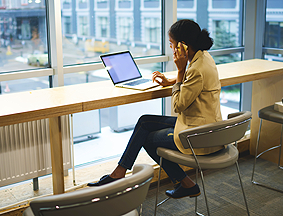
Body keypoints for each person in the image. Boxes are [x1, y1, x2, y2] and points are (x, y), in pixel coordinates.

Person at [88, 19, 223, 199]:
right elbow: (193, 86)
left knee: (148, 139)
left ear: (182, 46)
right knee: (145, 121)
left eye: (172, 44)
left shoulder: (195, 69)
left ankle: (184, 183)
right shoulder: (204, 58)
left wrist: (180, 72)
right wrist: (174, 80)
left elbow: (177, 106)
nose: (171, 48)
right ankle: (119, 172)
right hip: (204, 124)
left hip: (197, 134)